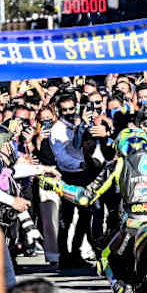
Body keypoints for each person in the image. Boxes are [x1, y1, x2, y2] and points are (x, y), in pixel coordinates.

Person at [41, 128, 147, 293]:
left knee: (104, 256)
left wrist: (57, 186)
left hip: (133, 224)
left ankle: (121, 289)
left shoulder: (118, 164)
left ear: (121, 148)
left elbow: (86, 197)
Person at [50, 93, 91, 269]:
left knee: (85, 215)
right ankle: (63, 256)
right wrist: (81, 163)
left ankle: (76, 252)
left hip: (85, 174)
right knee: (66, 217)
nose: (68, 112)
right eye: (64, 109)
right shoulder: (57, 129)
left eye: (71, 108)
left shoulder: (81, 124)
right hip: (69, 175)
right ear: (58, 110)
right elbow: (61, 157)